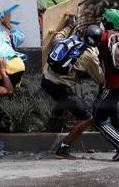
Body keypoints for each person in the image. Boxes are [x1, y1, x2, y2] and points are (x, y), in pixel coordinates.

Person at [41, 22, 105, 160]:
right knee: (87, 117)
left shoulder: (70, 40)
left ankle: (52, 124)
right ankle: (63, 149)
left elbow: (57, 37)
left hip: (45, 81)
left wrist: (69, 25)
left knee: (64, 101)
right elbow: (100, 80)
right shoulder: (90, 55)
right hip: (60, 87)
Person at [93, 8, 119, 161]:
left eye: (104, 19)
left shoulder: (104, 37)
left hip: (112, 85)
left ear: (108, 22)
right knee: (111, 106)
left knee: (96, 116)